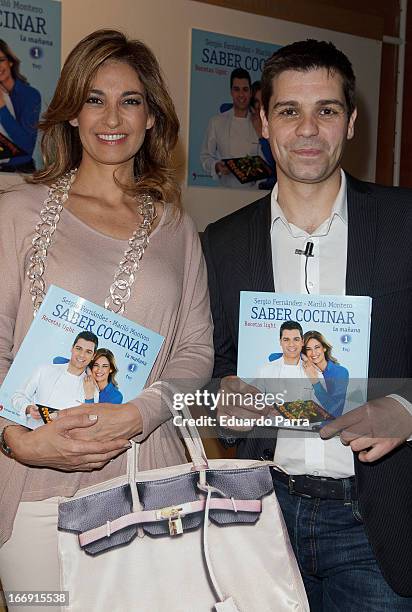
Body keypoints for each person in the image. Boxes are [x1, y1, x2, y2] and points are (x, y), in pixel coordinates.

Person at [0, 29, 213, 606]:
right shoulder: (17, 211)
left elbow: (195, 351)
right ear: (71, 113)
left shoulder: (175, 225)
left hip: (151, 482)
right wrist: (18, 441)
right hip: (37, 494)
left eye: (131, 100)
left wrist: (139, 414)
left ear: (151, 118)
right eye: (95, 98)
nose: (111, 116)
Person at [203, 39, 412, 606]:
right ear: (264, 123)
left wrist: (407, 409)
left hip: (379, 523)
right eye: (290, 111)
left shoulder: (404, 224)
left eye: (328, 110)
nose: (309, 129)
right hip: (261, 516)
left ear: (351, 124)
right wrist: (221, 395)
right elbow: (209, 362)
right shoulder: (220, 244)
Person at [12, 331, 99, 421]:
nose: (82, 355)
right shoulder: (44, 370)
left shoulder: (92, 389)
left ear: (93, 356)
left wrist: (89, 397)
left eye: (88, 352)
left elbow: (90, 420)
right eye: (78, 348)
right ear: (72, 348)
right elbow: (18, 396)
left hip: (65, 435)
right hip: (33, 432)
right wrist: (28, 408)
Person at [200, 68, 261, 188]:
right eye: (236, 89)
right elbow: (205, 156)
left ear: (250, 93)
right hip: (226, 194)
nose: (241, 95)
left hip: (254, 194)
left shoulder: (259, 123)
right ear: (231, 92)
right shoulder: (216, 122)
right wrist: (217, 166)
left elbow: (266, 161)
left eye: (245, 90)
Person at [0, 39, 41, 172]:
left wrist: (1, 108)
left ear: (10, 62)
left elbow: (27, 146)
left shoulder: (30, 95)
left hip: (20, 173)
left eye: (1, 60)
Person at [302, 329, 349, 417]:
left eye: (317, 347)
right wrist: (302, 356)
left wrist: (315, 381)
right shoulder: (305, 367)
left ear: (324, 348)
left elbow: (335, 411)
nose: (313, 353)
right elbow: (273, 356)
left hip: (327, 427)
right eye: (308, 349)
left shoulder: (340, 372)